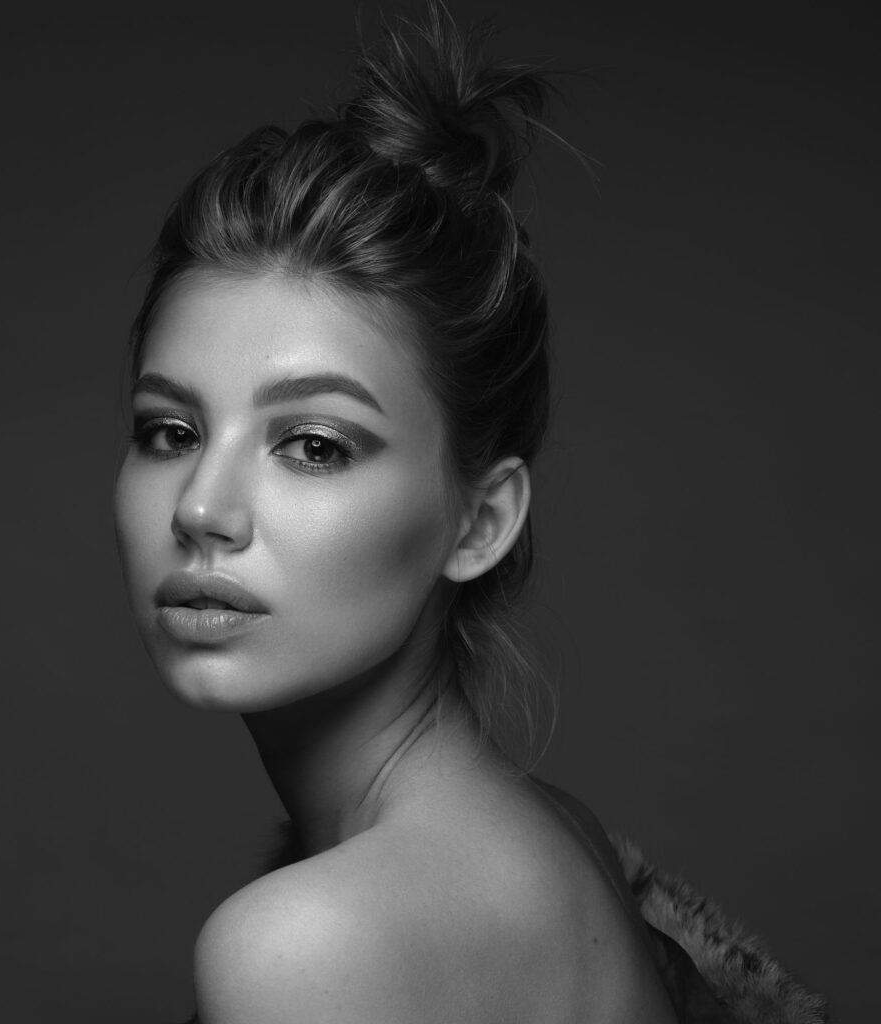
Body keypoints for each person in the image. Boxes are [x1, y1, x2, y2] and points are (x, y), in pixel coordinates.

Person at [114, 6, 828, 1022]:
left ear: (478, 521)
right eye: (170, 432)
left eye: (313, 444)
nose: (201, 508)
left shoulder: (311, 944)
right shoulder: (542, 836)